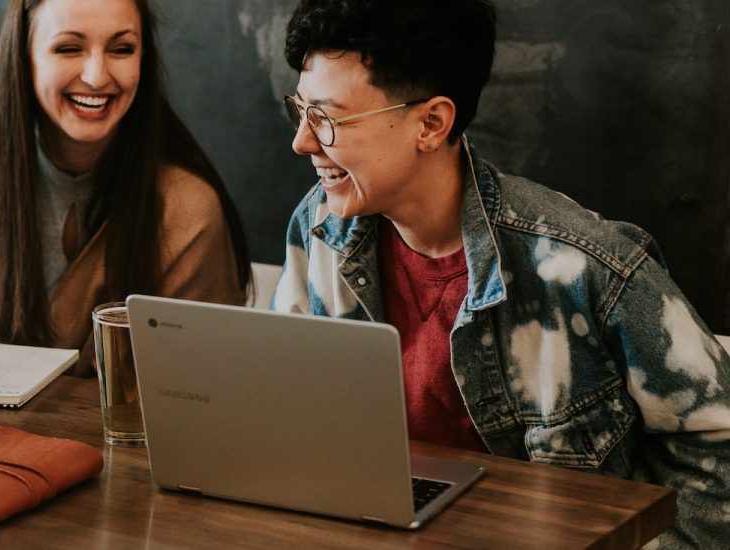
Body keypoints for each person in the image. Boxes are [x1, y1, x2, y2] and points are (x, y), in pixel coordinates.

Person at [270, 0, 730, 546]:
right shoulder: (320, 225)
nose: (301, 140)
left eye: (326, 118)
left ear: (431, 123)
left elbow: (718, 454)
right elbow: (288, 412)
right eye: (300, 109)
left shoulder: (586, 267)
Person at [0, 0, 250, 376]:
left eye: (122, 49)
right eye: (69, 48)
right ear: (24, 57)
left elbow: (201, 394)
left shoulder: (187, 209)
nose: (96, 76)